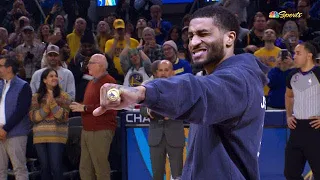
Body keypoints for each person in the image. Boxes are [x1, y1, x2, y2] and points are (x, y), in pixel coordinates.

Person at [93, 5, 269, 179]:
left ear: (229, 38)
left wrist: (142, 92)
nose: (193, 42)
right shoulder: (229, 77)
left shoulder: (238, 79)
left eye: (203, 34)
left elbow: (197, 89)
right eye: (191, 36)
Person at [70, 54, 117, 180]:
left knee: (100, 167)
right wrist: (80, 106)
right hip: (87, 129)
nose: (87, 65)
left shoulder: (110, 82)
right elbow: (91, 104)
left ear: (100, 65)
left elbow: (111, 105)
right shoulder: (91, 81)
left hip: (101, 130)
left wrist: (85, 108)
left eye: (90, 63)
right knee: (85, 168)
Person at [140, 60, 184, 180]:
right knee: (157, 175)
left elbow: (183, 108)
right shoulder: (149, 87)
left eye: (166, 70)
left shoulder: (181, 88)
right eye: (160, 70)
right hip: (156, 137)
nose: (163, 73)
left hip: (175, 135)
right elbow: (143, 110)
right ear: (156, 73)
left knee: (177, 175)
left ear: (173, 72)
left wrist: (162, 112)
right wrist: (153, 112)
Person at [284, 41, 320, 179]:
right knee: (290, 173)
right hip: (297, 128)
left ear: (309, 56)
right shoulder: (292, 76)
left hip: (316, 129)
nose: (294, 56)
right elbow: (288, 95)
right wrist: (289, 115)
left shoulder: (318, 73)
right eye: (294, 53)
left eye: (298, 53)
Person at [29, 68, 71, 180]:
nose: (54, 78)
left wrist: (52, 103)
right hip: (40, 137)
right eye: (51, 76)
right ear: (44, 80)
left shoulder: (64, 96)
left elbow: (63, 117)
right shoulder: (36, 97)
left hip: (57, 136)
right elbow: (34, 117)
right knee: (44, 168)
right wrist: (47, 108)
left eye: (55, 76)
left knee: (56, 168)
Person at [0, 54, 32, 180]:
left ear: (9, 68)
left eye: (1, 66)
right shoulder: (1, 84)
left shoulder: (23, 86)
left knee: (19, 168)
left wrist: (5, 129)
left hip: (16, 133)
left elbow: (21, 110)